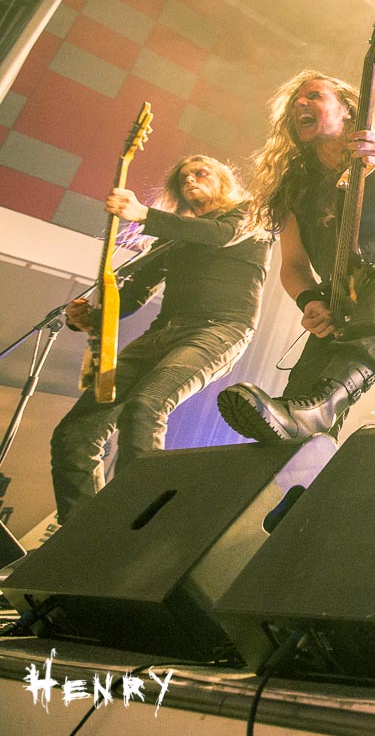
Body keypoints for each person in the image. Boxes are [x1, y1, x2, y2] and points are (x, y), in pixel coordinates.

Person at [215, 70, 375, 442]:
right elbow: (293, 265)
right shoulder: (295, 187)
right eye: (295, 101)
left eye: (314, 96)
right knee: (298, 400)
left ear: (347, 110)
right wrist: (310, 301)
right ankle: (300, 443)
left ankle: (324, 409)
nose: (300, 103)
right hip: (345, 295)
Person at [52, 155, 268, 522]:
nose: (190, 180)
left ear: (224, 180)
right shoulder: (173, 236)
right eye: (183, 177)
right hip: (163, 331)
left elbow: (220, 235)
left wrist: (143, 215)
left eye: (201, 173)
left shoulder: (248, 213)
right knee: (74, 433)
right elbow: (136, 293)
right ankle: (84, 531)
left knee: (147, 406)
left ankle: (137, 524)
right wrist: (90, 318)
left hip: (218, 329)